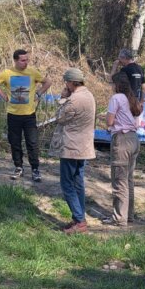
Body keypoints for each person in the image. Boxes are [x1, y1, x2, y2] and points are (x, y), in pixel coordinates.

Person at [0, 49, 52, 182]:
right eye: (23, 60)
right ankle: (18, 167)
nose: (26, 63)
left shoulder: (32, 72)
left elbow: (47, 82)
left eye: (27, 60)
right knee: (15, 142)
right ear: (16, 60)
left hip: (29, 115)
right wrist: (2, 94)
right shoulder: (7, 73)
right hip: (13, 114)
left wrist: (39, 93)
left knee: (32, 143)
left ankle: (35, 169)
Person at [55, 68, 96, 234]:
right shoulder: (89, 95)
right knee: (78, 182)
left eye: (67, 82)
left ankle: (79, 221)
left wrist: (63, 99)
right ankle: (79, 218)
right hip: (84, 147)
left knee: (67, 183)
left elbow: (60, 118)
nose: (66, 85)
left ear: (72, 82)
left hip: (72, 147)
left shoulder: (74, 99)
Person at [103, 73, 143, 227]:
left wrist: (104, 118)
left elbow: (110, 121)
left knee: (119, 180)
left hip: (122, 140)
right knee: (129, 179)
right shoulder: (130, 98)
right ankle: (128, 215)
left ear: (117, 84)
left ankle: (119, 218)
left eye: (111, 83)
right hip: (134, 139)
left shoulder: (116, 98)